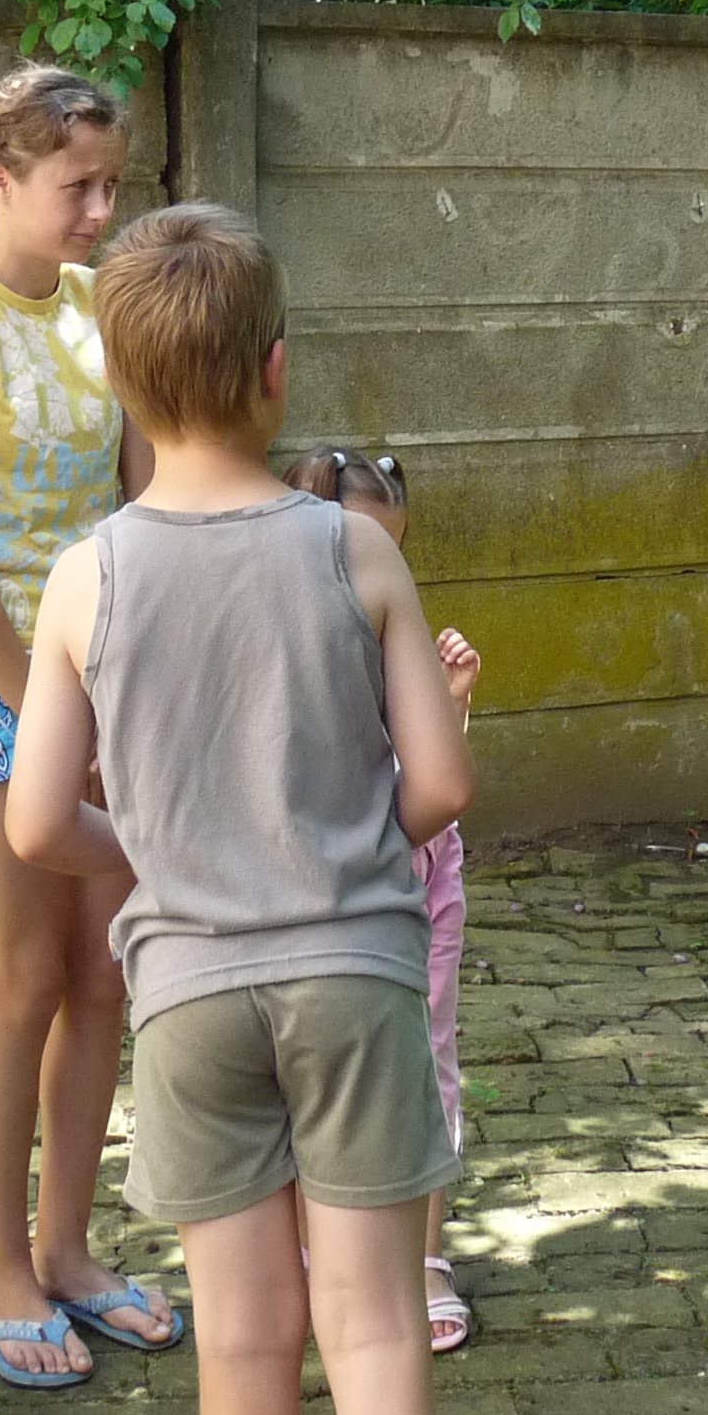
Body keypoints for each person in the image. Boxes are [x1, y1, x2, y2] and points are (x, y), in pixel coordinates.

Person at [9, 205, 475, 1415]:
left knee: (244, 1345)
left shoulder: (87, 576)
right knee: (377, 1339)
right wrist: (327, 836)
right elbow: (440, 786)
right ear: (276, 370)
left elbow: (38, 822)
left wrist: (169, 847)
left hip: (191, 996)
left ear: (118, 386)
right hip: (355, 979)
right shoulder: (352, 547)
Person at [0, 65, 183, 1385]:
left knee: (102, 975)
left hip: (103, 684)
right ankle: (0, 1270)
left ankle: (69, 1251)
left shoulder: (95, 310)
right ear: (0, 179)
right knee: (25, 978)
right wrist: (43, 703)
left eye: (112, 186)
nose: (99, 211)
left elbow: (145, 500)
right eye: (77, 187)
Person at [286, 447, 483, 1351]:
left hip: (419, 881)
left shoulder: (399, 631)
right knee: (311, 1069)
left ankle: (425, 1256)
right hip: (326, 892)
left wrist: (453, 702)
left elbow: (436, 770)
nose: (381, 570)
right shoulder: (289, 641)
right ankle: (313, 1252)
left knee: (426, 1057)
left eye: (394, 552)